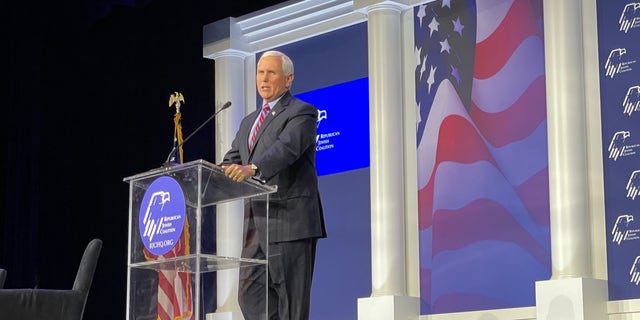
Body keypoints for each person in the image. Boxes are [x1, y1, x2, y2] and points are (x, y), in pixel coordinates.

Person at [220, 50, 326, 320]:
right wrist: (212, 174)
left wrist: (253, 168)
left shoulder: (302, 112)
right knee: (249, 296)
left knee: (292, 305)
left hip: (289, 221)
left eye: (271, 73)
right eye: (260, 72)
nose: (263, 79)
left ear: (288, 79)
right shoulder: (248, 123)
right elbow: (230, 161)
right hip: (255, 227)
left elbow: (287, 148)